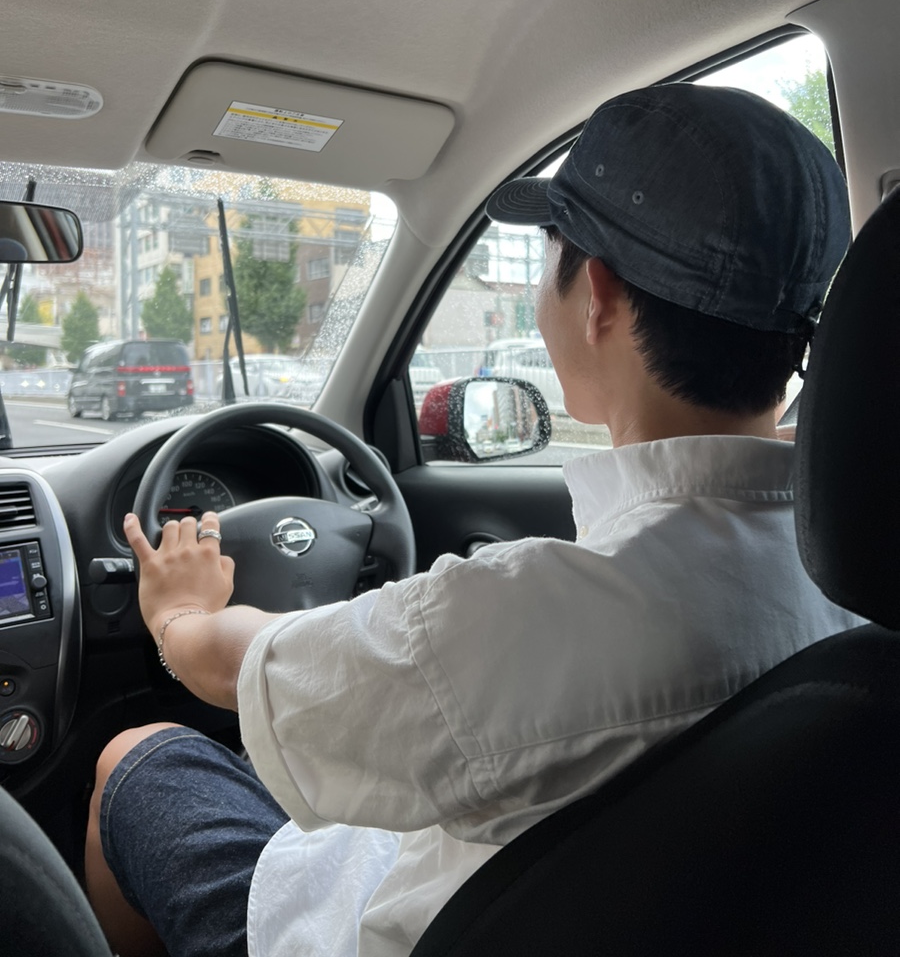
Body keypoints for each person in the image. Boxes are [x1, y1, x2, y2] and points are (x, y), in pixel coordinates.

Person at [85, 83, 862, 957]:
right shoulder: (850, 582)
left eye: (551, 252)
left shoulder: (526, 614)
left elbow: (236, 666)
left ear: (597, 293)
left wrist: (178, 611)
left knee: (135, 756)